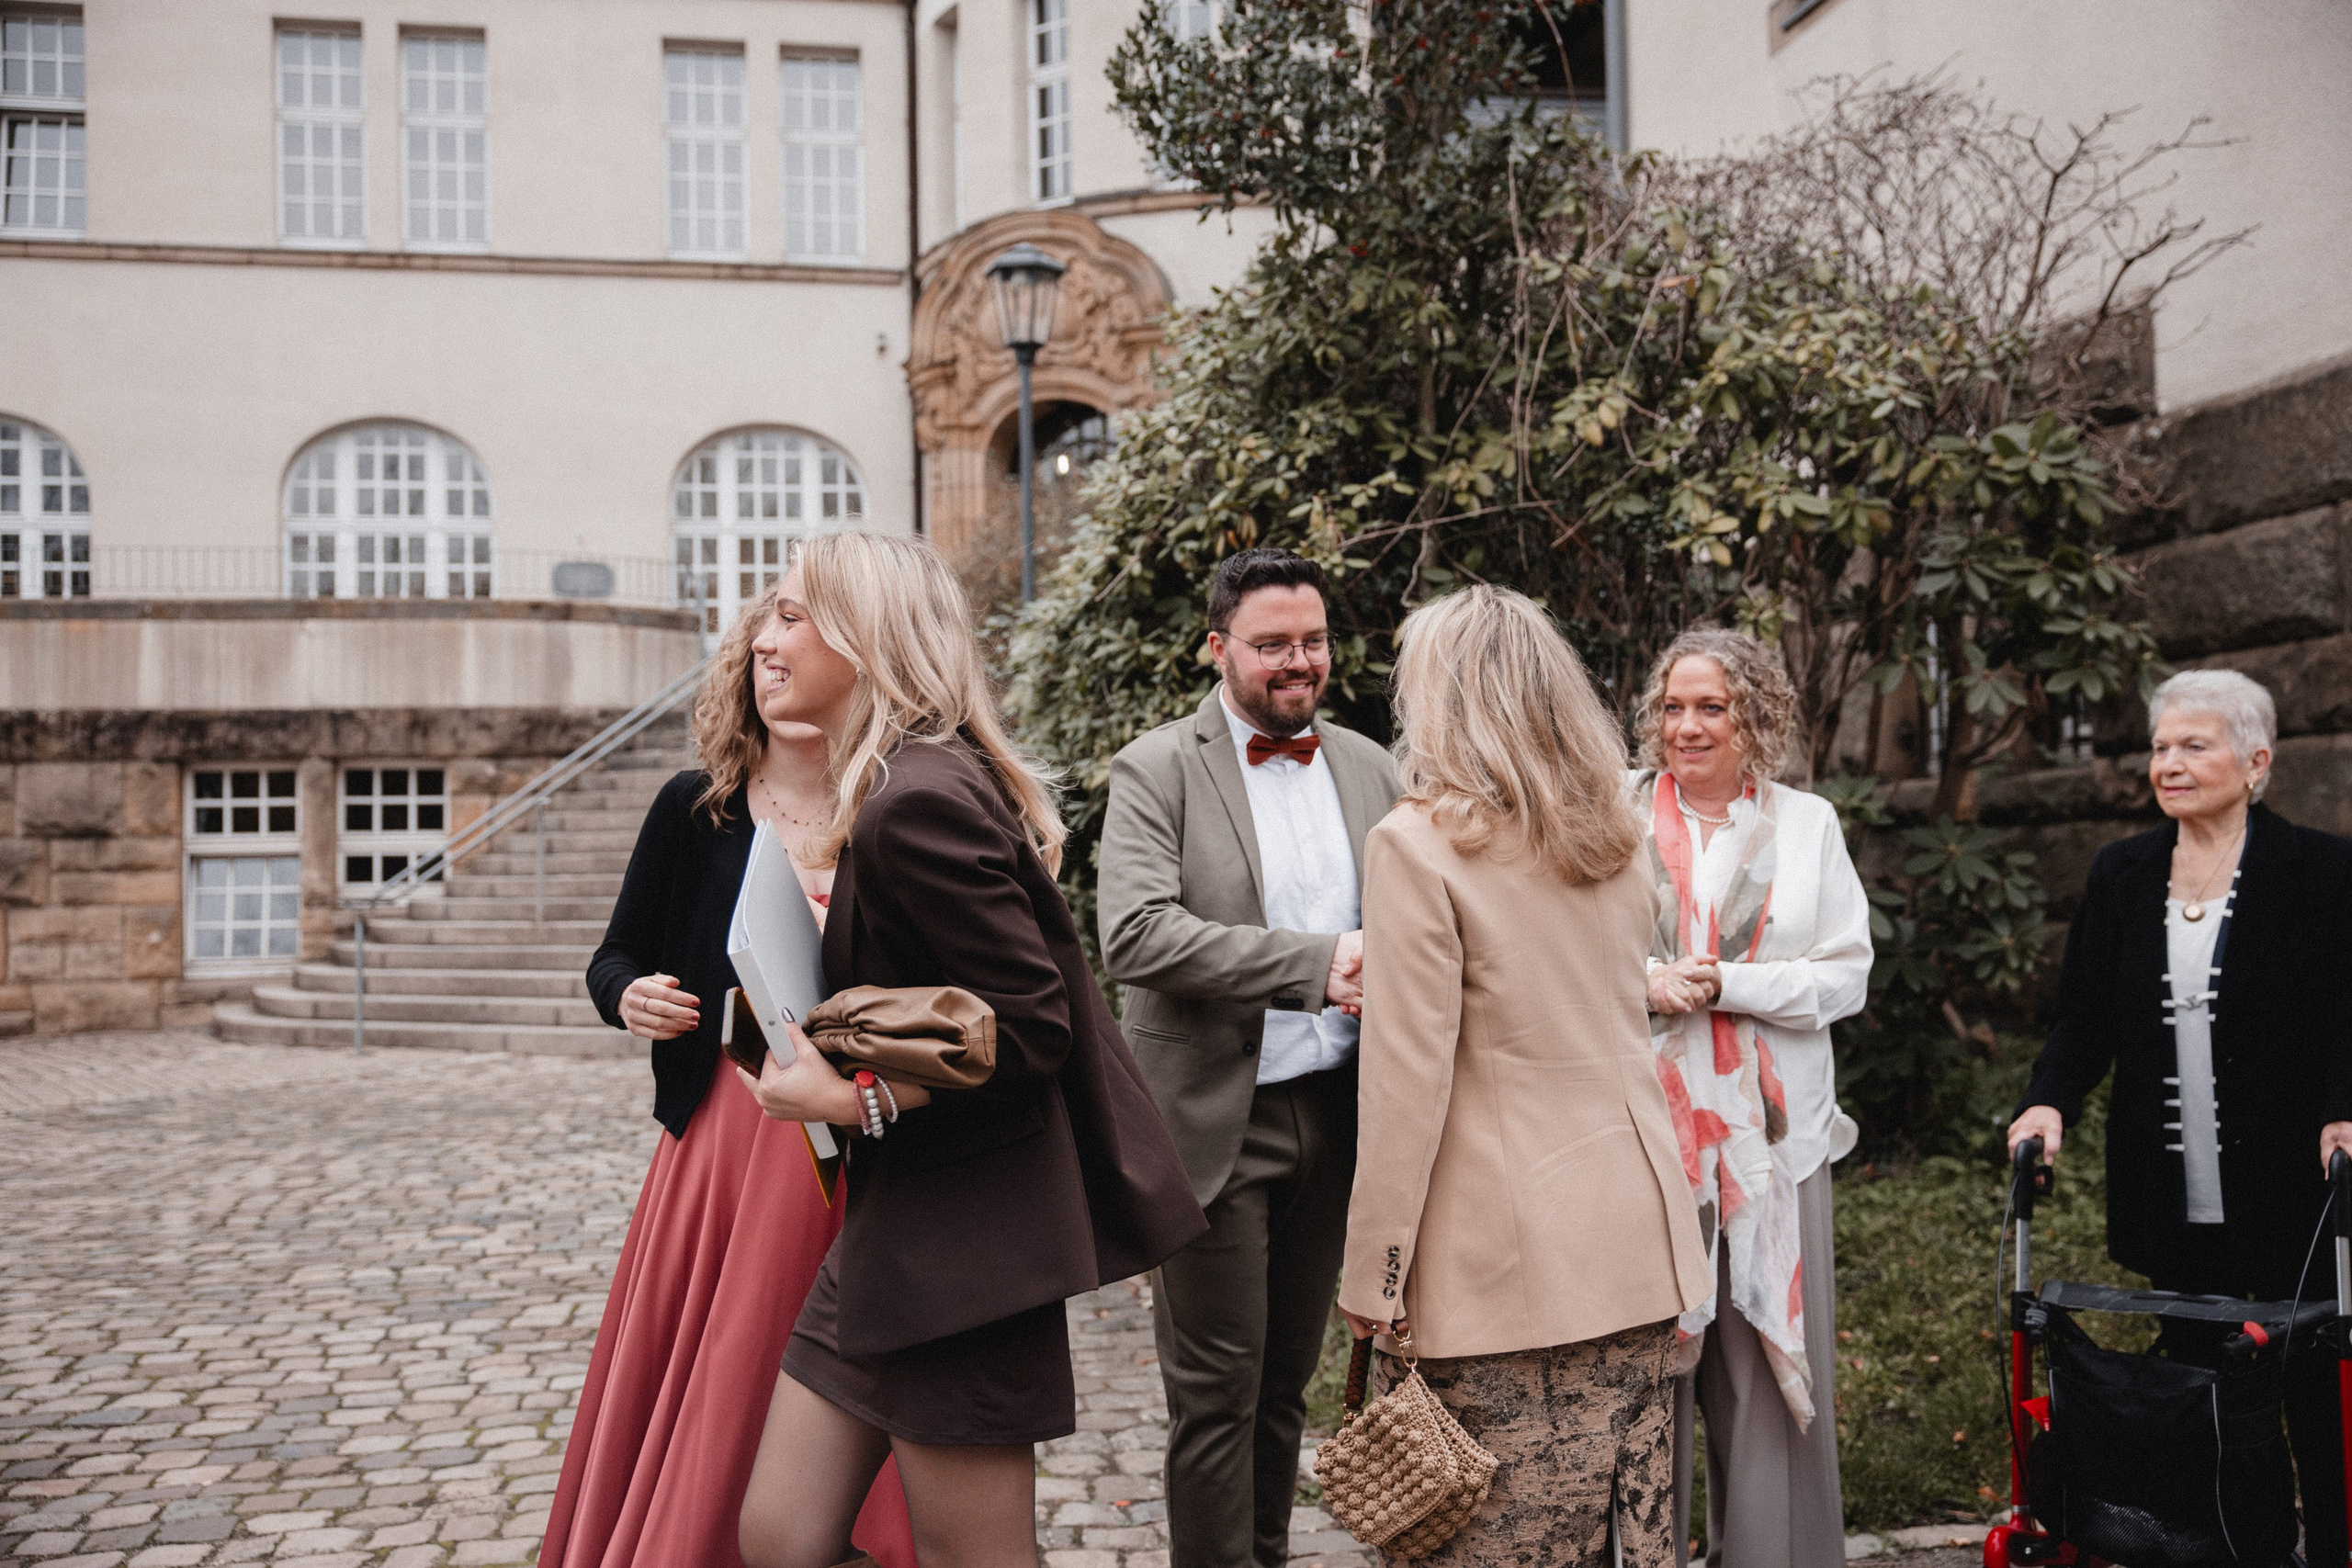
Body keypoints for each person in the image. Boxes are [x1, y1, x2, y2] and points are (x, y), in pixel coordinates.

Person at [730, 531, 1204, 1568]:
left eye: (792, 615)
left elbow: (1032, 1024)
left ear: (865, 638)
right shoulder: (902, 783)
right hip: (899, 1236)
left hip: (967, 1255)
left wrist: (851, 1102)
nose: (765, 639)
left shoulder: (917, 801)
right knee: (780, 1535)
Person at [1335, 584, 1711, 1568]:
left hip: (1496, 1270)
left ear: (1438, 701)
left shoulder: (1415, 846)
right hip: (1635, 1245)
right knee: (1617, 1542)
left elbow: (1404, 1084)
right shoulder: (1616, 840)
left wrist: (1373, 1273)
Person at [548, 603, 916, 1568]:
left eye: (789, 643)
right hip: (726, 1128)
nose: (768, 663)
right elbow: (612, 955)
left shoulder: (895, 800)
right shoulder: (693, 807)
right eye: (756, 653)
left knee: (842, 1345)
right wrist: (630, 996)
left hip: (864, 1126)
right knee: (724, 1350)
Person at [1096, 547, 1402, 1568]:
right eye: (1271, 644)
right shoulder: (1156, 765)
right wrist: (1315, 966)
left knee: (1284, 1387)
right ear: (1217, 648)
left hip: (1341, 1116)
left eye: (1311, 641)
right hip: (1214, 1120)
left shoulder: (1370, 765)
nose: (1296, 662)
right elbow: (1134, 934)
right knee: (1216, 1393)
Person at [2008, 668, 2352, 1568]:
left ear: (2255, 760)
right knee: (2197, 1387)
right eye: (2159, 747)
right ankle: (2229, 1547)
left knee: (2314, 1384)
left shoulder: (2323, 869)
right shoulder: (2121, 872)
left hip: (2292, 1181)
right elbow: (2082, 1015)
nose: (2168, 763)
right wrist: (2047, 1099)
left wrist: (2344, 1110)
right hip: (2171, 1178)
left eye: (2193, 746)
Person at [1627, 626, 1871, 1568]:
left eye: (1711, 707)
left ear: (1753, 716)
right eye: (1672, 707)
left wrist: (1729, 983)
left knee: (1764, 1375)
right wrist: (1649, 981)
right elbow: (1571, 962)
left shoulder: (1807, 823)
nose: (1686, 727)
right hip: (1645, 1138)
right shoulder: (1609, 818)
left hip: (1775, 1145)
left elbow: (1844, 976)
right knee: (1650, 1365)